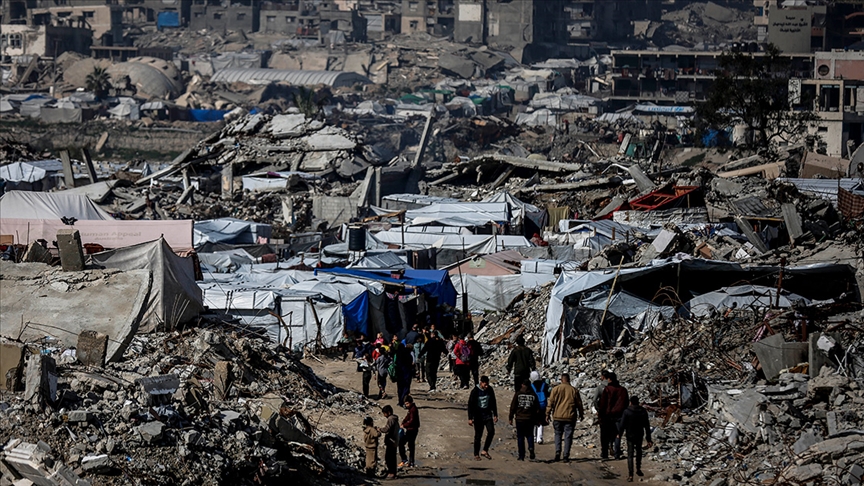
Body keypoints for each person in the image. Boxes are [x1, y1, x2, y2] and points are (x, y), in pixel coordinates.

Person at [546, 373, 584, 462]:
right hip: (570, 417)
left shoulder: (555, 389)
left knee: (558, 434)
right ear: (569, 379)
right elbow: (579, 404)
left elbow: (550, 403)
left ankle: (557, 452)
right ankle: (566, 455)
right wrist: (581, 414)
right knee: (568, 436)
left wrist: (547, 414)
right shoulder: (574, 390)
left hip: (557, 416)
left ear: (561, 380)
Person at [618, 396, 653, 482]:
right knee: (639, 452)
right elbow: (647, 426)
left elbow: (622, 424)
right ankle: (638, 468)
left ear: (631, 402)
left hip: (630, 435)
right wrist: (649, 439)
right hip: (639, 434)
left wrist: (619, 434)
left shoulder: (627, 411)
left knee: (630, 455)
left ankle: (630, 475)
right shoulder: (643, 411)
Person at [598, 371, 629, 460]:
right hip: (619, 415)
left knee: (605, 435)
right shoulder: (623, 390)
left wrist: (601, 415)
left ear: (609, 379)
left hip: (608, 416)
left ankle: (605, 454)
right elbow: (626, 403)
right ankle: (617, 454)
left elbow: (603, 404)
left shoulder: (607, 390)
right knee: (617, 434)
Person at [468, 375, 498, 461]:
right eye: (485, 384)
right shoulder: (475, 391)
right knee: (478, 436)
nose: (486, 386)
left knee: (491, 431)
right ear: (481, 383)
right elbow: (470, 405)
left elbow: (493, 402)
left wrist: (495, 414)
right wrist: (470, 418)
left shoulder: (490, 390)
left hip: (488, 415)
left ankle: (485, 450)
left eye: (487, 384)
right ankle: (476, 454)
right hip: (478, 416)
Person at [509, 379, 540, 461]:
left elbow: (513, 406)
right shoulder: (533, 395)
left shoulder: (518, 394)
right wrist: (537, 418)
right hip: (530, 418)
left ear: (522, 385)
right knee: (530, 435)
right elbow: (537, 408)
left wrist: (510, 417)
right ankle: (530, 447)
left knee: (520, 437)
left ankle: (521, 455)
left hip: (520, 418)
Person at [398, 395, 420, 468]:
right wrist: (403, 422)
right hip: (411, 429)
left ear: (410, 402)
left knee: (407, 444)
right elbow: (407, 417)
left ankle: (409, 461)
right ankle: (410, 461)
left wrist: (404, 425)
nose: (406, 405)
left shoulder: (413, 410)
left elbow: (411, 421)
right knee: (410, 445)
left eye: (407, 403)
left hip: (412, 430)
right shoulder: (411, 409)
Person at [530, 371, 550, 444]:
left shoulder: (531, 386)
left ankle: (534, 437)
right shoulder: (544, 385)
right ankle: (540, 438)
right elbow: (547, 394)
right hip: (542, 405)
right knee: (541, 421)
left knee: (533, 421)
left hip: (534, 405)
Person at [380, 405, 400, 479]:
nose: (384, 415)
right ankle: (392, 471)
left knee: (389, 457)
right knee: (391, 457)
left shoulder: (391, 419)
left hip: (392, 441)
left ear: (388, 412)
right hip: (394, 441)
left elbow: (386, 429)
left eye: (384, 413)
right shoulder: (394, 418)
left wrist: (379, 429)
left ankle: (392, 472)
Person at [396, 343, 415, 407]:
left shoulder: (399, 355)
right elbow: (411, 365)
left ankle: (400, 402)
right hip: (407, 374)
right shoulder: (409, 356)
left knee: (400, 388)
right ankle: (404, 402)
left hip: (399, 374)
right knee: (406, 389)